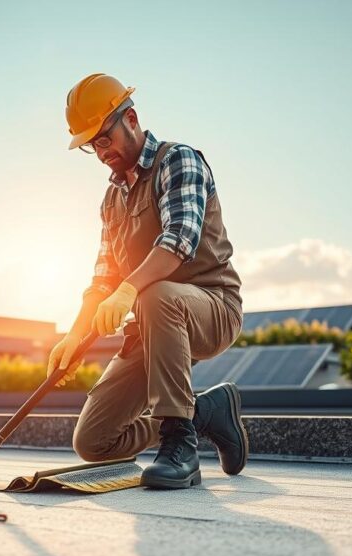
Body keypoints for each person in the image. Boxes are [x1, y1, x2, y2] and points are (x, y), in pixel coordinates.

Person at [48, 73, 248, 489]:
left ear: (132, 118)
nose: (101, 152)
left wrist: (129, 289)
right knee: (94, 441)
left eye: (104, 138)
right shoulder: (112, 199)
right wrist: (75, 336)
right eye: (92, 145)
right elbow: (103, 277)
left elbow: (178, 242)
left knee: (156, 295)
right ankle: (205, 414)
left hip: (211, 307)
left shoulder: (179, 161)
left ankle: (180, 446)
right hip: (151, 326)